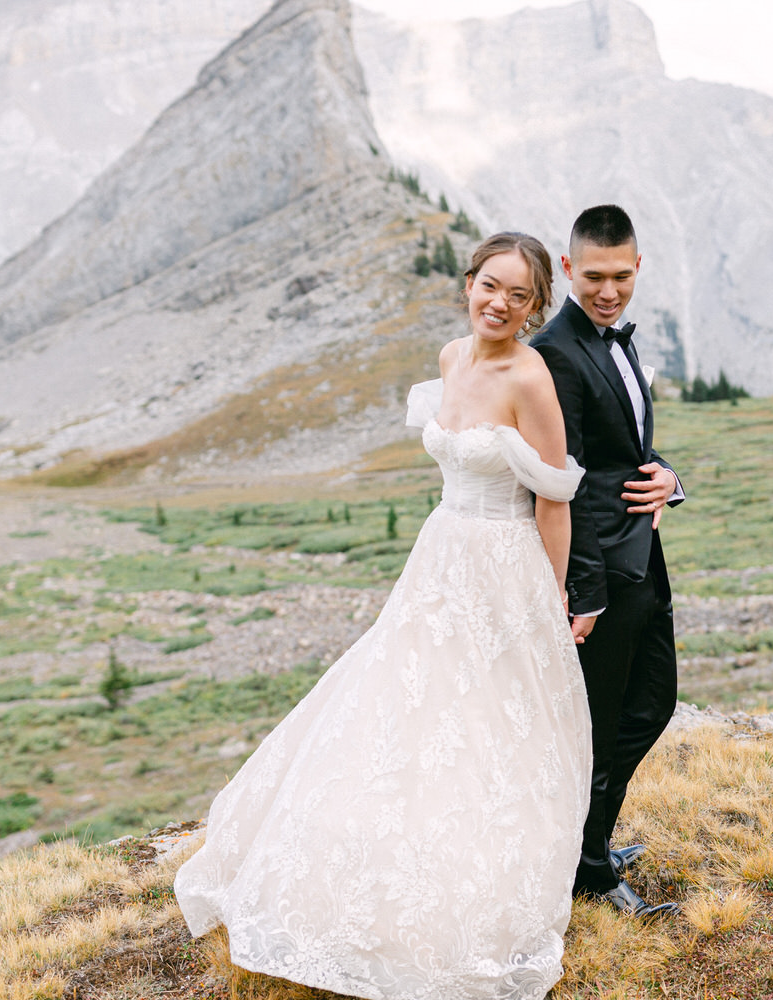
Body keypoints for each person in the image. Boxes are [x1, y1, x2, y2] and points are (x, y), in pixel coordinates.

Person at [175, 232, 593, 1000]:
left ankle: (479, 880)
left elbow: (555, 498)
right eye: (489, 286)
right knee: (408, 704)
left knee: (491, 719)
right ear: (468, 284)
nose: (499, 304)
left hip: (506, 563)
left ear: (535, 309)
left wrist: (551, 595)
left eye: (519, 296)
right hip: (442, 557)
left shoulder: (529, 378)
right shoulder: (448, 359)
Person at [531, 205, 682, 919]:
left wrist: (671, 481)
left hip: (642, 560)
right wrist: (582, 592)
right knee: (603, 717)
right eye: (594, 277)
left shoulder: (615, 340)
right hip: (603, 580)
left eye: (622, 276)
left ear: (638, 267)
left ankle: (584, 841)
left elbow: (629, 452)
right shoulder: (557, 349)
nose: (609, 291)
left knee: (653, 702)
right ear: (568, 270)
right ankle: (587, 863)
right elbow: (568, 478)